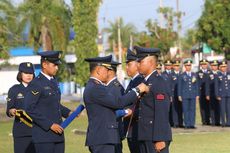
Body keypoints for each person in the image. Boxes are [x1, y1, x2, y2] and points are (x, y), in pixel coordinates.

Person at [83, 55, 148, 153]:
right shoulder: (96, 88)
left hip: (103, 137)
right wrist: (137, 90)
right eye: (107, 69)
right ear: (99, 70)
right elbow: (118, 102)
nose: (108, 72)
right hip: (102, 138)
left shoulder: (95, 86)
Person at [24, 51, 71, 153]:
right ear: (44, 65)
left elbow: (54, 104)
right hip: (44, 136)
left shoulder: (54, 81)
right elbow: (29, 108)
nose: (57, 68)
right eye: (54, 65)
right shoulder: (36, 83)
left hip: (58, 134)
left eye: (57, 65)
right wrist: (49, 125)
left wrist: (68, 113)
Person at [134, 46, 172, 153]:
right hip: (145, 134)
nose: (137, 65)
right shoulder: (145, 81)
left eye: (140, 62)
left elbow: (162, 111)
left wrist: (160, 138)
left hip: (155, 137)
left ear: (150, 62)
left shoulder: (158, 82)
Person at [6, 62, 36, 153]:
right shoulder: (14, 90)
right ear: (20, 74)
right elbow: (9, 110)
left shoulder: (38, 88)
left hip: (37, 131)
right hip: (21, 132)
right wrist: (12, 111)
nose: (28, 75)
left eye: (30, 73)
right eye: (26, 73)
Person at [124, 49, 144, 153]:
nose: (126, 67)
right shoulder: (132, 81)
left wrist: (129, 112)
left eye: (129, 64)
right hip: (131, 128)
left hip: (138, 128)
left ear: (137, 64)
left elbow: (143, 105)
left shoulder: (140, 81)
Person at [106, 60, 125, 153]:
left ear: (110, 71)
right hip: (111, 131)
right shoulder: (108, 86)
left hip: (114, 131)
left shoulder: (115, 88)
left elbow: (120, 109)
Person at [178, 59, 199, 129]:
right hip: (185, 95)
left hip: (193, 94)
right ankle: (187, 124)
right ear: (185, 66)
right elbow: (179, 86)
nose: (188, 67)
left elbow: (196, 85)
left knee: (192, 110)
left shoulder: (194, 74)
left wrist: (197, 95)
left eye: (189, 65)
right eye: (187, 65)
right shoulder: (182, 75)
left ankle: (192, 124)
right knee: (185, 110)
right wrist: (179, 95)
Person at [215, 60, 230, 127]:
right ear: (220, 67)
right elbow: (216, 86)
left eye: (225, 67)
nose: (224, 68)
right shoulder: (217, 75)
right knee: (222, 109)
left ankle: (228, 122)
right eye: (222, 67)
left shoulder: (229, 74)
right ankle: (223, 122)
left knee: (228, 109)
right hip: (222, 94)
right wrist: (217, 95)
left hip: (228, 93)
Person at [205, 60, 220, 126]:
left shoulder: (220, 73)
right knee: (212, 108)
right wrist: (207, 94)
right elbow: (207, 85)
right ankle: (213, 121)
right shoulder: (209, 74)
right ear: (211, 66)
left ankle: (218, 121)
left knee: (219, 108)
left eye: (216, 65)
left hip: (219, 94)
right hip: (211, 93)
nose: (215, 67)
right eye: (213, 65)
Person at [197, 59, 210, 125]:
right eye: (203, 64)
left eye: (205, 64)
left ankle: (208, 120)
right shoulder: (198, 73)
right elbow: (197, 84)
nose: (204, 65)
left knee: (209, 106)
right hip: (201, 92)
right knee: (202, 107)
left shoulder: (209, 72)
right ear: (201, 65)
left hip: (209, 92)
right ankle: (204, 120)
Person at [171, 60, 183, 128]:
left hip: (181, 94)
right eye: (175, 66)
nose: (177, 67)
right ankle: (175, 123)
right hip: (173, 94)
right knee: (174, 109)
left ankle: (180, 122)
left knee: (181, 109)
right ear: (173, 66)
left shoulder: (181, 74)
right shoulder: (171, 75)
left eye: (178, 66)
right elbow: (169, 85)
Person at [162, 60, 174, 126]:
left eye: (169, 65)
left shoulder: (173, 73)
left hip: (174, 94)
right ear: (165, 66)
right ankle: (167, 123)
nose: (168, 66)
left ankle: (173, 122)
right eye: (167, 65)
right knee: (166, 109)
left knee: (174, 110)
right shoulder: (163, 74)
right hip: (166, 94)